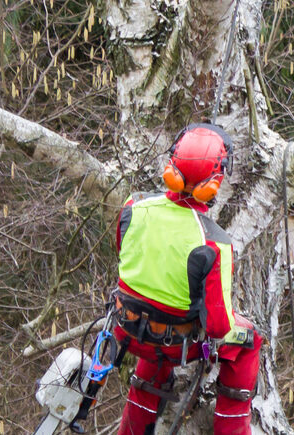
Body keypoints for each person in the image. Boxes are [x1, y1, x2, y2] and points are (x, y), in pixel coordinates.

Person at [110, 123, 262, 435]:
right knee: (248, 340)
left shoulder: (133, 206)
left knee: (154, 319)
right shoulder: (213, 242)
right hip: (174, 344)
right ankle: (231, 429)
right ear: (215, 182)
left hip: (125, 329)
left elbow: (125, 254)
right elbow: (218, 326)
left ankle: (135, 426)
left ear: (172, 166)